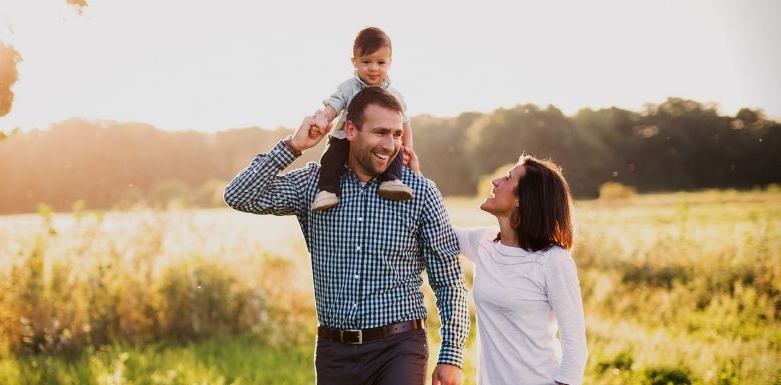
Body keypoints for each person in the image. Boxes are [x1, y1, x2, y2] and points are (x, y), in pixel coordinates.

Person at [223, 87, 468, 385]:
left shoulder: (420, 193)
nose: (390, 145)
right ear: (350, 130)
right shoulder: (313, 185)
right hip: (333, 351)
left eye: (396, 134)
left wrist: (452, 355)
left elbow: (449, 279)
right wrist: (294, 146)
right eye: (380, 133)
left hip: (399, 348)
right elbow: (239, 195)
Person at [406, 148, 588, 385]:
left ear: (523, 198)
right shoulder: (485, 243)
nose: (495, 181)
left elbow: (576, 347)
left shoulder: (553, 260)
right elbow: (437, 230)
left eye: (508, 178)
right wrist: (416, 178)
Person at [307, 26, 414, 211]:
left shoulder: (394, 95)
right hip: (345, 137)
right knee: (331, 158)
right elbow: (335, 104)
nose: (373, 68)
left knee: (392, 150)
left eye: (380, 62)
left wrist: (407, 147)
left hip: (381, 142)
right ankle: (328, 190)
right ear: (354, 62)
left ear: (390, 62)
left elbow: (404, 122)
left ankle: (392, 180)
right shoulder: (349, 88)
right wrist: (323, 119)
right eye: (366, 62)